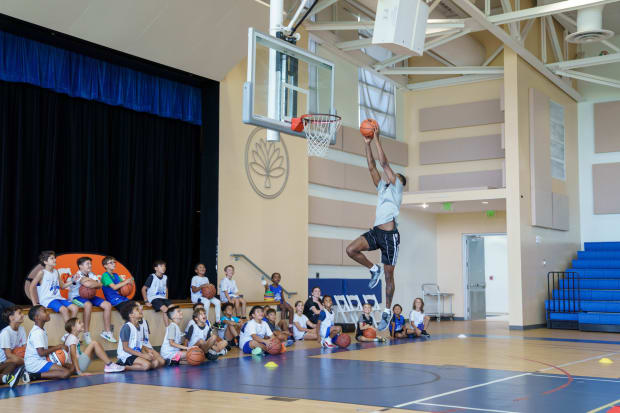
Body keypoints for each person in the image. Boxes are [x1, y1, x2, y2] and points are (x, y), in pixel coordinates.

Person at [345, 126, 406, 330]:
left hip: (390, 237)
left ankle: (387, 311)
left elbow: (383, 163)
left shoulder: (396, 187)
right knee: (351, 249)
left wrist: (378, 138)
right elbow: (372, 166)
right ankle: (373, 268)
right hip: (376, 233)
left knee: (390, 276)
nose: (389, 175)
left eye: (393, 175)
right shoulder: (382, 187)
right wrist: (367, 144)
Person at [67, 257, 115, 344]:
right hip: (75, 297)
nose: (90, 265)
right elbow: (87, 284)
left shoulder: (91, 274)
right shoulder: (77, 275)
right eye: (87, 264)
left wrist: (90, 281)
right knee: (88, 305)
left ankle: (107, 332)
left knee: (107, 305)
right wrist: (92, 283)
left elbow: (100, 285)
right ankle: (86, 333)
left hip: (89, 296)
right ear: (80, 266)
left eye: (90, 263)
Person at [29, 251, 79, 322]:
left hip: (57, 297)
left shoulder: (56, 272)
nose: (55, 260)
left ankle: (71, 327)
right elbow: (31, 287)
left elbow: (62, 286)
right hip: (47, 299)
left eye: (54, 258)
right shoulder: (42, 273)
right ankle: (70, 331)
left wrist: (73, 281)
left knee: (75, 308)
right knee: (64, 310)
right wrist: (34, 304)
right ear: (45, 262)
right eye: (52, 258)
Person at [24, 305, 71, 380]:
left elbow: (44, 348)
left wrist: (59, 346)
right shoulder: (37, 333)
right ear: (37, 317)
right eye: (44, 311)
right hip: (35, 364)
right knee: (66, 373)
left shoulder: (41, 329)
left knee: (69, 366)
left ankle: (38, 374)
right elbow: (41, 353)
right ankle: (33, 376)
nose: (48, 313)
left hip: (39, 361)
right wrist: (58, 347)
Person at [117, 300, 163, 371]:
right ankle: (121, 366)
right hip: (126, 355)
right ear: (131, 315)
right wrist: (143, 355)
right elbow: (125, 348)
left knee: (156, 363)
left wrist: (147, 353)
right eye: (137, 309)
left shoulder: (139, 327)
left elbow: (139, 345)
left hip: (136, 354)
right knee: (146, 365)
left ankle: (134, 364)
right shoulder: (127, 327)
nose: (140, 310)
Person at [0, 306, 27, 387]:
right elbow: (9, 355)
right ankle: (7, 378)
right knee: (14, 362)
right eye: (19, 313)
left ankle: (6, 378)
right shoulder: (5, 333)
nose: (23, 315)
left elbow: (26, 349)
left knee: (13, 363)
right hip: (3, 362)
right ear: (11, 318)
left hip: (10, 362)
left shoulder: (21, 329)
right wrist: (27, 361)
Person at [190, 263, 222, 328]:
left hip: (205, 296)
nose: (202, 268)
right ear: (196, 271)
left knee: (218, 302)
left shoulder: (206, 278)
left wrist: (211, 289)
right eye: (200, 267)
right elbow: (194, 290)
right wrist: (202, 286)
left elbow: (208, 290)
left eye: (203, 267)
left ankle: (217, 321)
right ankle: (206, 320)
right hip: (197, 297)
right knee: (207, 302)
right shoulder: (195, 278)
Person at [142, 259, 172, 327]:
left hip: (163, 298)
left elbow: (166, 288)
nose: (164, 267)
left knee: (174, 309)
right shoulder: (152, 277)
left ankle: (173, 329)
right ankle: (169, 330)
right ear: (156, 268)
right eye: (161, 266)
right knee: (165, 309)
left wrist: (166, 299)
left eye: (164, 266)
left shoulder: (165, 277)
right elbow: (143, 289)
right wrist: (146, 301)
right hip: (154, 298)